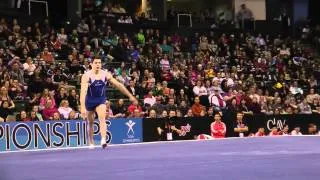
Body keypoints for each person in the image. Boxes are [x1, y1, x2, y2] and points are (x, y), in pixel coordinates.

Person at [80, 58, 136, 149]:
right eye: (96, 63)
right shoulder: (86, 76)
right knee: (90, 122)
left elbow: (119, 85)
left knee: (102, 117)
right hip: (89, 101)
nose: (98, 64)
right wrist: (82, 107)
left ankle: (103, 139)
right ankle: (91, 142)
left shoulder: (105, 74)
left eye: (99, 62)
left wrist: (130, 95)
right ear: (91, 64)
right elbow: (83, 92)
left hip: (100, 100)